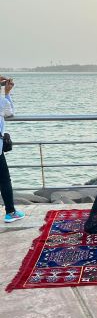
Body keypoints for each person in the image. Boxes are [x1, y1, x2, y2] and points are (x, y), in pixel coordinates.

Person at [0, 76, 25, 223]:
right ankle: (10, 212)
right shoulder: (1, 102)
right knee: (4, 179)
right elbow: (10, 113)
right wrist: (7, 93)